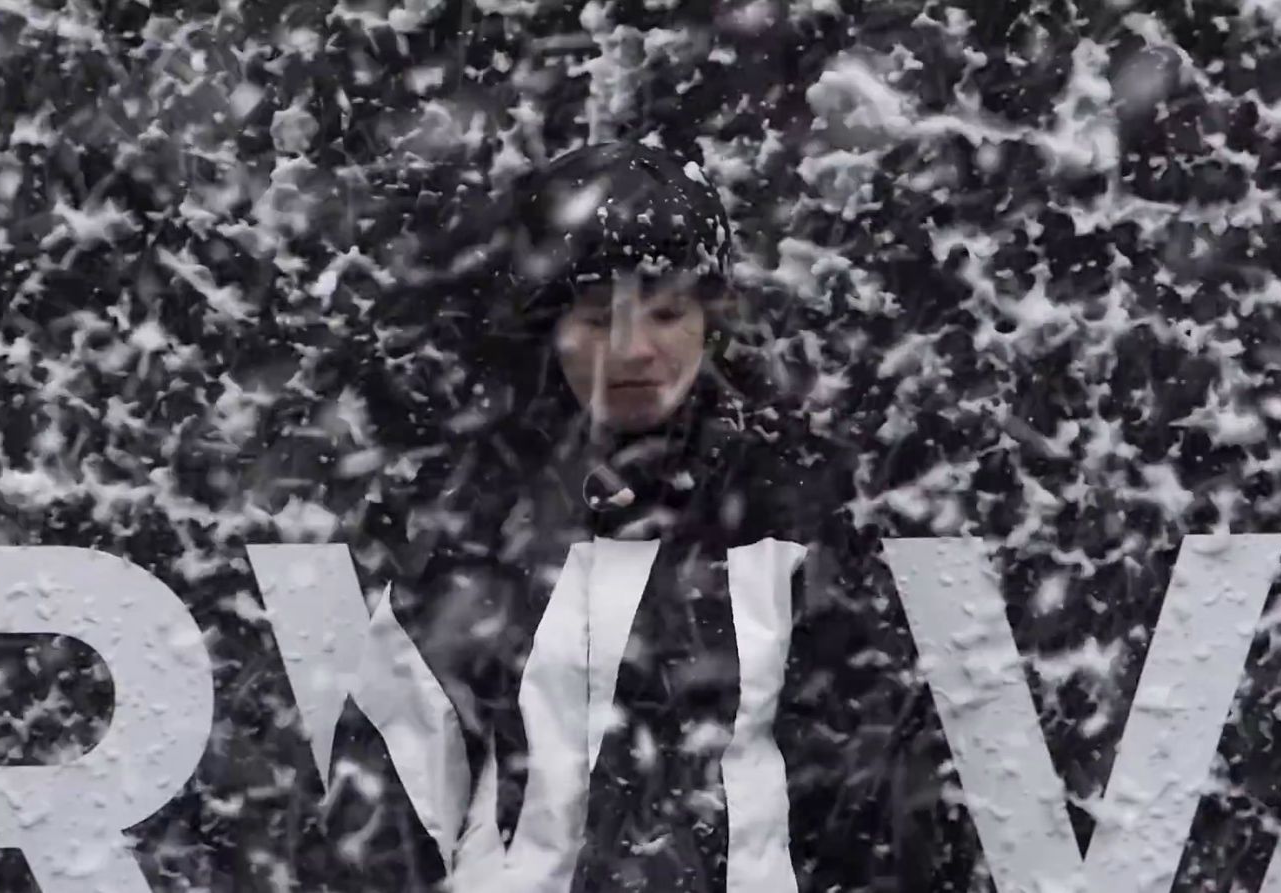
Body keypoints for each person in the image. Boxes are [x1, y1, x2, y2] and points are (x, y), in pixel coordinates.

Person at [368, 140, 934, 892]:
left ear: (711, 316)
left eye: (666, 311)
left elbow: (874, 789)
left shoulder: (803, 503)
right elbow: (391, 787)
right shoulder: (477, 514)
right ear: (550, 328)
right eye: (600, 318)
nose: (633, 350)